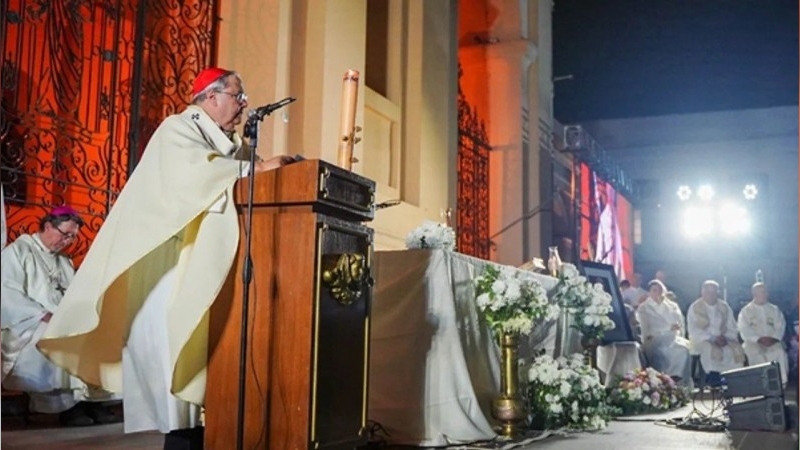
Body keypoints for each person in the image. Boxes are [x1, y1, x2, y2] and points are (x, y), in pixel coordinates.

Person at [37, 67, 295, 439]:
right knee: (178, 371)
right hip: (168, 271)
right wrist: (256, 169)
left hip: (212, 272)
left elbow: (246, 177)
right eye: (238, 96)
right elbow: (192, 178)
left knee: (208, 374)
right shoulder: (177, 130)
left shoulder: (235, 147)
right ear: (211, 97)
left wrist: (271, 170)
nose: (244, 104)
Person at [1, 206, 118, 425]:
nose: (67, 241)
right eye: (65, 234)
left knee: (97, 332)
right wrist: (40, 314)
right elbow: (6, 293)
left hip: (60, 319)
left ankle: (93, 402)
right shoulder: (17, 252)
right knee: (59, 337)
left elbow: (73, 295)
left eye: (72, 237)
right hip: (27, 323)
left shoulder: (64, 260)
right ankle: (69, 408)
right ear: (48, 226)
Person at [687, 280, 744, 380]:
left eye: (714, 292)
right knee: (708, 349)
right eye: (708, 292)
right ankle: (713, 378)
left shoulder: (724, 307)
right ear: (702, 292)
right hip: (703, 340)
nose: (711, 295)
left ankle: (732, 379)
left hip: (724, 339)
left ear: (718, 293)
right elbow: (693, 330)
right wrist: (712, 338)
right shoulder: (695, 308)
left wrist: (725, 338)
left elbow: (732, 326)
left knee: (732, 350)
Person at [636, 280, 690, 382]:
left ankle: (677, 378)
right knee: (664, 352)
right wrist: (667, 329)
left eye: (660, 290)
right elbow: (646, 330)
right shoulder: (644, 308)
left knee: (683, 350)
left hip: (673, 337)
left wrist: (676, 328)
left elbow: (679, 322)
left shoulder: (672, 306)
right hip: (655, 339)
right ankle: (664, 379)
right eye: (654, 290)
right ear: (649, 292)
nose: (658, 293)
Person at [737, 282, 788, 384]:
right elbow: (743, 329)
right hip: (753, 343)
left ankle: (781, 383)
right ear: (754, 294)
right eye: (762, 292)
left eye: (766, 292)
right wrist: (758, 339)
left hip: (773, 342)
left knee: (780, 352)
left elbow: (780, 326)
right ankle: (760, 384)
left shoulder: (774, 309)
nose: (765, 294)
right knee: (756, 354)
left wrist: (773, 338)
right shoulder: (745, 311)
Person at [593, 176, 624, 277]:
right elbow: (601, 240)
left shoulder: (611, 212)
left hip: (613, 255)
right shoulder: (604, 215)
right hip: (606, 257)